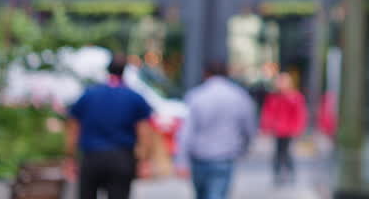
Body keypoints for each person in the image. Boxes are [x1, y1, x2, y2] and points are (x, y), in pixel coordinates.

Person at [65, 54, 155, 199]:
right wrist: (144, 160)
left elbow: (73, 127)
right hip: (122, 158)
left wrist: (70, 156)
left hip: (91, 157)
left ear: (108, 69)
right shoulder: (134, 97)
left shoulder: (89, 95)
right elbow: (145, 133)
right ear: (124, 70)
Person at [175, 61, 257, 199]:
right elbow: (249, 128)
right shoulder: (239, 96)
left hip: (199, 157)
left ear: (206, 74)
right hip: (225, 157)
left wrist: (181, 160)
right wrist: (245, 148)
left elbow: (186, 132)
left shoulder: (196, 96)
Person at [259, 72, 308, 185]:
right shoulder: (274, 97)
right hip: (278, 130)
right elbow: (268, 113)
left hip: (289, 130)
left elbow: (300, 114)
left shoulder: (294, 97)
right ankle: (278, 174)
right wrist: (266, 127)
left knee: (285, 152)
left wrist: (298, 129)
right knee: (278, 152)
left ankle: (288, 173)